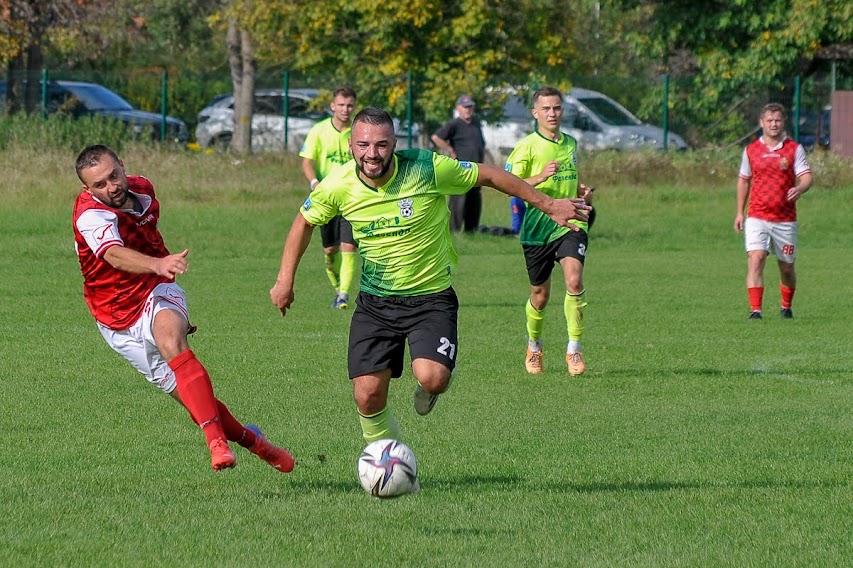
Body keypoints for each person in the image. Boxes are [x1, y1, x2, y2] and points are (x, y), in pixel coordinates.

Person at [271, 108, 589, 450]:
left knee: (434, 378)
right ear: (351, 145)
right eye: (363, 144)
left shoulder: (427, 168)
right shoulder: (338, 184)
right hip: (376, 303)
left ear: (394, 143)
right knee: (367, 394)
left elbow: (492, 175)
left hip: (431, 299)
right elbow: (303, 221)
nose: (371, 154)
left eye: (381, 144)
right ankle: (386, 458)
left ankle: (428, 392)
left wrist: (547, 204)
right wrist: (284, 281)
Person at [73, 145, 294, 474]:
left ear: (122, 165)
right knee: (195, 402)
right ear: (87, 189)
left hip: (156, 288)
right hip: (114, 319)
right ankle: (256, 443)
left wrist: (159, 268)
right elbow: (114, 255)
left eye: (114, 176)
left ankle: (216, 444)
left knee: (170, 340)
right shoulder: (91, 215)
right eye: (100, 185)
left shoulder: (143, 187)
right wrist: (157, 262)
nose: (111, 187)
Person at [505, 86, 596, 376]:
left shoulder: (570, 143)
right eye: (546, 109)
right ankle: (534, 346)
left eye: (556, 108)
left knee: (574, 280)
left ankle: (574, 350)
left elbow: (574, 180)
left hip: (570, 222)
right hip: (537, 228)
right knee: (540, 295)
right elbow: (510, 185)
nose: (552, 113)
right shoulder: (527, 146)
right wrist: (541, 175)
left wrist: (583, 193)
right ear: (535, 113)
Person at [734, 103, 813, 319]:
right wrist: (740, 212)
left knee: (786, 267)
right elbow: (744, 180)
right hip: (757, 215)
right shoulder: (751, 150)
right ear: (761, 123)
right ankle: (755, 311)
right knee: (756, 258)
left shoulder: (794, 149)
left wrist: (799, 188)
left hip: (785, 219)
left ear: (783, 122)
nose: (773, 124)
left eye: (777, 120)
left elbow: (807, 177)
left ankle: (786, 307)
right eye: (769, 121)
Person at [300, 87, 358, 309]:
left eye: (350, 105)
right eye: (341, 105)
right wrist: (314, 183)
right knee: (330, 251)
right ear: (333, 106)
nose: (345, 109)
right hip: (327, 198)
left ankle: (344, 294)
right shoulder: (319, 130)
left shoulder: (358, 131)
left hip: (352, 198)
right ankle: (337, 288)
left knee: (349, 247)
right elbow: (307, 161)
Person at [430, 94, 486, 233]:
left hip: (476, 170)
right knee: (459, 200)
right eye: (465, 107)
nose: (468, 110)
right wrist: (450, 149)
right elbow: (436, 137)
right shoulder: (454, 124)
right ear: (458, 108)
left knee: (475, 200)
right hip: (461, 170)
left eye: (470, 107)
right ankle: (453, 231)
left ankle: (471, 231)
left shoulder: (476, 123)